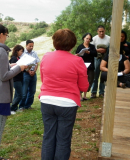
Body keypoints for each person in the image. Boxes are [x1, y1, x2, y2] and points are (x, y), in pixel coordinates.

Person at [39, 29, 89, 160]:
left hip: (47, 100)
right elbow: (84, 87)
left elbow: (44, 79)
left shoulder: (46, 56)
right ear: (72, 44)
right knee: (63, 139)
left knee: (48, 137)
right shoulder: (77, 61)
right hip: (67, 103)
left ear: (55, 42)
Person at [0, 24, 27, 160]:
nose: (6, 38)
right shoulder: (1, 51)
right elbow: (4, 76)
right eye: (7, 35)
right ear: (1, 34)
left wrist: (10, 66)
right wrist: (19, 68)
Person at [19, 40, 40, 110]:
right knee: (24, 92)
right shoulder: (23, 53)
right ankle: (21, 106)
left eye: (32, 46)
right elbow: (22, 64)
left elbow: (37, 62)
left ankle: (28, 105)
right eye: (30, 46)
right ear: (26, 45)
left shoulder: (34, 53)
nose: (31, 47)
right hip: (25, 73)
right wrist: (28, 71)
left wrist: (34, 71)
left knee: (32, 91)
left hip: (33, 73)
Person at [76, 33, 97, 100]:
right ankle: (80, 95)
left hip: (90, 66)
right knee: (81, 80)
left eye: (89, 39)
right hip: (82, 66)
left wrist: (89, 52)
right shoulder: (80, 47)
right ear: (84, 38)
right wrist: (78, 54)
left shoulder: (92, 46)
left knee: (90, 80)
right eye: (87, 38)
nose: (88, 40)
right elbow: (77, 55)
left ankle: (85, 95)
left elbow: (95, 54)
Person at [90, 25, 110, 98]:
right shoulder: (94, 39)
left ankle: (102, 92)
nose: (101, 33)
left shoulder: (109, 38)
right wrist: (97, 50)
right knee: (95, 75)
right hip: (96, 58)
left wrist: (106, 51)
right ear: (97, 31)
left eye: (103, 31)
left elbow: (111, 48)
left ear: (105, 31)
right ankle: (93, 92)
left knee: (103, 75)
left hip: (105, 59)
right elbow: (90, 49)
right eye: (100, 31)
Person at [9, 45, 24, 114]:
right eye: (21, 51)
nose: (22, 52)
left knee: (17, 94)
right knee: (20, 94)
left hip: (20, 78)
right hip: (16, 79)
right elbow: (13, 69)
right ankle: (12, 108)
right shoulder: (14, 58)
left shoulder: (19, 58)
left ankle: (14, 108)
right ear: (17, 50)